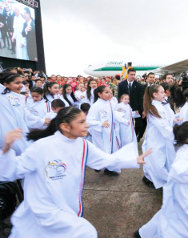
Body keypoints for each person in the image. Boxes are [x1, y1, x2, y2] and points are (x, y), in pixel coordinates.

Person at [0, 107, 151, 238]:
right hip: (44, 208)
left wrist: (134, 159)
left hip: (67, 206)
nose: (87, 125)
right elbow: (13, 171)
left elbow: (106, 160)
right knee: (85, 232)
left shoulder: (84, 145)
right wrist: (6, 149)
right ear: (65, 127)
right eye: (81, 122)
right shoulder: (41, 147)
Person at [135, 122, 188, 238]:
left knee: (168, 213)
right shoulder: (184, 153)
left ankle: (143, 233)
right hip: (184, 196)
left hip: (185, 193)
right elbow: (179, 172)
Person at [86, 86, 128, 176]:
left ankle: (110, 168)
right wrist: (101, 123)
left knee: (113, 150)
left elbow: (114, 115)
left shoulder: (111, 103)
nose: (110, 94)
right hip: (102, 135)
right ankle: (100, 166)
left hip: (112, 133)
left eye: (110, 92)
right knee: (104, 151)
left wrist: (123, 118)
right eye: (106, 92)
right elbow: (89, 121)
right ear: (99, 94)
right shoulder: (95, 106)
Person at [141, 85, 175, 189]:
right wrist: (176, 135)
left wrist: (175, 120)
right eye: (162, 92)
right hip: (156, 139)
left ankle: (156, 179)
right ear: (155, 95)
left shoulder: (161, 104)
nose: (164, 94)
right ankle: (154, 180)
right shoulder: (153, 108)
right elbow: (162, 126)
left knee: (161, 161)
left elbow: (169, 118)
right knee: (157, 162)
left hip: (163, 138)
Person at [117, 68, 146, 142]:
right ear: (127, 74)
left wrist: (141, 109)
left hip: (136, 109)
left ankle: (136, 136)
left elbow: (141, 98)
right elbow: (119, 96)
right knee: (128, 124)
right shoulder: (121, 84)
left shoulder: (139, 85)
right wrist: (120, 107)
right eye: (131, 74)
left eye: (134, 74)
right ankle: (130, 138)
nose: (133, 76)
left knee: (139, 125)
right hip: (125, 108)